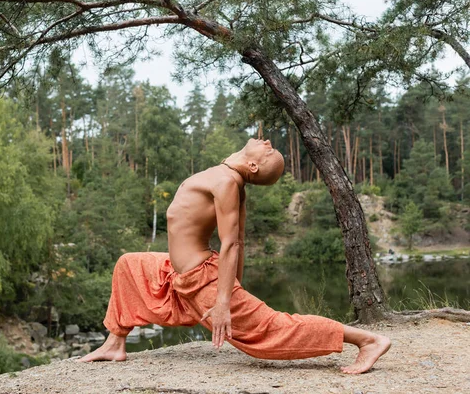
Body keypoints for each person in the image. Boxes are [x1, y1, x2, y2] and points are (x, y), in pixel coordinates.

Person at [79, 138, 390, 374]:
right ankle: (115, 343)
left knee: (271, 330)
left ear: (252, 167)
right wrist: (235, 286)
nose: (267, 142)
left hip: (200, 279)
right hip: (176, 274)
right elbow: (238, 239)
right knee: (129, 264)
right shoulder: (226, 177)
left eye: (269, 151)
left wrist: (224, 301)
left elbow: (232, 244)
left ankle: (366, 340)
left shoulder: (228, 182)